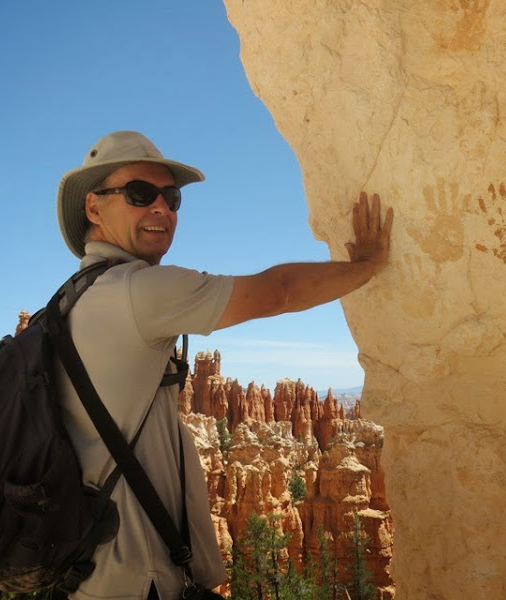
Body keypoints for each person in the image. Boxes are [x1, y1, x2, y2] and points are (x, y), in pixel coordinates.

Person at [55, 130, 394, 600]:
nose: (162, 208)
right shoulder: (135, 291)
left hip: (89, 573)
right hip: (139, 578)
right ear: (94, 208)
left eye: (172, 197)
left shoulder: (70, 299)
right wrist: (367, 266)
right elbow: (278, 292)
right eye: (139, 193)